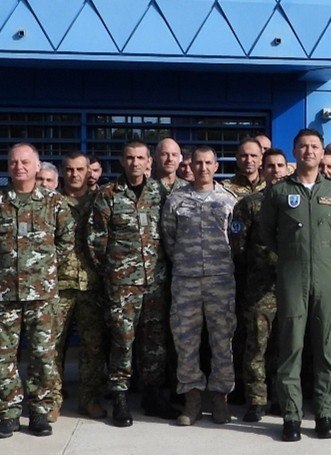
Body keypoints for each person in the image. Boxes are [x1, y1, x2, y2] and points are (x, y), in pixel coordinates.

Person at [259, 129, 331, 440]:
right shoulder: (279, 192)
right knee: (291, 348)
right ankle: (291, 417)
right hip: (291, 276)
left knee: (327, 349)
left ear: (322, 152)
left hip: (327, 276)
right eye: (303, 146)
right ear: (294, 152)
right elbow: (268, 234)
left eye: (314, 146)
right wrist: (293, 254)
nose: (309, 151)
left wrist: (320, 253)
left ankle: (325, 414)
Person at [0, 142, 73, 437]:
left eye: (25, 162)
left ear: (37, 165)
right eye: (14, 162)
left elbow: (66, 242)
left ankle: (40, 412)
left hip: (41, 295)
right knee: (2, 356)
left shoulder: (54, 202)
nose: (19, 167)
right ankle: (7, 412)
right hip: (3, 294)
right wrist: (3, 268)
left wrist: (43, 271)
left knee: (44, 355)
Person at [87, 139, 169, 427]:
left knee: (154, 343)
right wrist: (115, 273)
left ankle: (153, 396)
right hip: (122, 284)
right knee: (123, 340)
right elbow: (97, 242)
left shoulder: (161, 193)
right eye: (129, 158)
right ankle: (120, 396)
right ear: (122, 162)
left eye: (140, 158)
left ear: (150, 162)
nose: (135, 163)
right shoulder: (108, 194)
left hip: (156, 282)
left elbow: (169, 233)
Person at [162, 147, 237, 425]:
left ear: (216, 166)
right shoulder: (176, 200)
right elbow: (169, 239)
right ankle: (192, 398)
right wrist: (186, 263)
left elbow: (236, 240)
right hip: (186, 281)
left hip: (220, 281)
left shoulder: (228, 200)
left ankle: (220, 397)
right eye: (198, 163)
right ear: (190, 165)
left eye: (208, 163)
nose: (203, 168)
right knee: (186, 341)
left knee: (222, 340)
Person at [230, 147, 289, 423]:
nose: (275, 171)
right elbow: (238, 247)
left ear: (287, 169)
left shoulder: (296, 201)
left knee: (284, 346)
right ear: (262, 170)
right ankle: (256, 400)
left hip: (289, 287)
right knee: (256, 345)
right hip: (258, 287)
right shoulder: (250, 204)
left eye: (280, 166)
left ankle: (280, 397)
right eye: (270, 166)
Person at [56, 152, 107, 419]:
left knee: (92, 346)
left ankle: (89, 399)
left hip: (91, 283)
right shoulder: (51, 202)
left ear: (89, 171)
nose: (74, 174)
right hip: (59, 284)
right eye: (69, 169)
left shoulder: (100, 201)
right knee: (53, 346)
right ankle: (51, 399)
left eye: (79, 169)